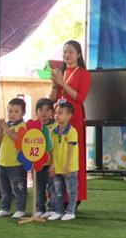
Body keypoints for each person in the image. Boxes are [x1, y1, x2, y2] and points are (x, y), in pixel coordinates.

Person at [48, 40, 91, 203]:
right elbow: (52, 99)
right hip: (58, 117)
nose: (67, 55)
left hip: (74, 117)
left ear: (78, 54)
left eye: (71, 52)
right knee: (57, 152)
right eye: (65, 52)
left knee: (73, 153)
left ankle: (75, 198)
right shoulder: (61, 72)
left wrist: (62, 83)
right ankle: (58, 198)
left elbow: (80, 98)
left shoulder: (84, 74)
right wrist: (55, 85)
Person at [0, 98, 28, 219]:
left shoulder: (23, 126)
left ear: (23, 113)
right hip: (3, 162)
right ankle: (5, 208)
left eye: (16, 112)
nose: (12, 114)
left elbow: (17, 140)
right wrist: (1, 129)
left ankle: (20, 209)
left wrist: (6, 128)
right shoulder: (7, 125)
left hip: (16, 163)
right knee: (4, 188)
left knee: (18, 188)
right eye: (10, 111)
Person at [47, 103, 79, 221]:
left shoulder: (72, 131)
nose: (56, 115)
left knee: (71, 191)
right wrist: (53, 164)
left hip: (69, 167)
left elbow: (70, 150)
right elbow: (52, 149)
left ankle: (71, 212)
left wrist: (67, 166)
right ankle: (59, 211)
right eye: (56, 113)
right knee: (58, 191)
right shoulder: (53, 131)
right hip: (58, 167)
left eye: (60, 113)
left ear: (69, 116)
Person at [34, 98, 57, 219]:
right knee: (39, 188)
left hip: (51, 163)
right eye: (41, 110)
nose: (44, 113)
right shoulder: (33, 126)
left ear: (52, 112)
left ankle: (52, 209)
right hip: (37, 164)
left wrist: (55, 163)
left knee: (53, 188)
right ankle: (39, 209)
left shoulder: (56, 126)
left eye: (47, 110)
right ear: (36, 112)